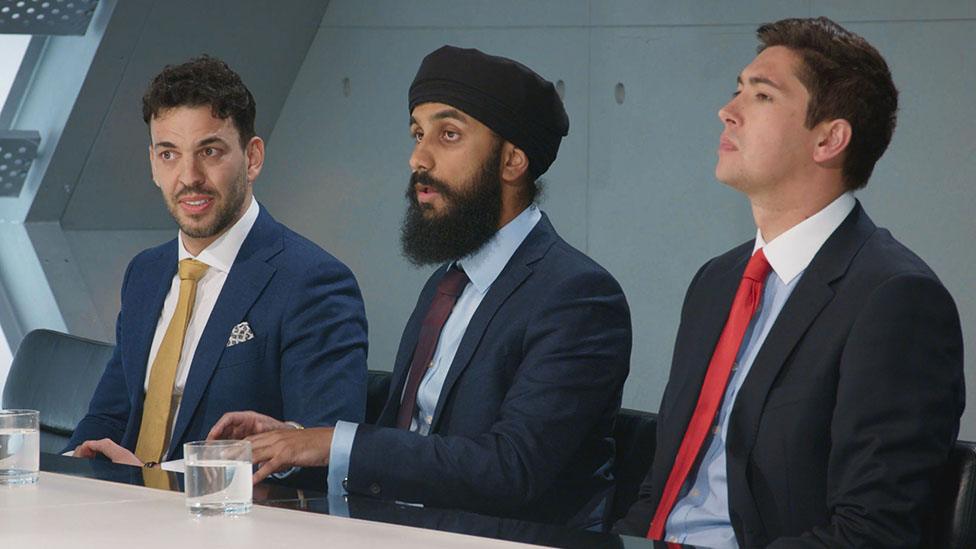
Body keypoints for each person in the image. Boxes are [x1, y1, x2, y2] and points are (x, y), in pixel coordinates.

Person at [209, 45, 632, 529]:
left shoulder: (578, 296)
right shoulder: (445, 284)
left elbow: (511, 470)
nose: (417, 158)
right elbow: (407, 442)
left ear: (513, 160)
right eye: (417, 133)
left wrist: (333, 444)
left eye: (448, 135)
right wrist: (298, 442)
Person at [615, 17, 964, 547]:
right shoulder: (717, 281)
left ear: (828, 139)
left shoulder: (895, 298)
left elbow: (871, 532)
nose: (727, 111)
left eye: (761, 96)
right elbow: (662, 485)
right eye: (737, 90)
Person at [65, 56, 368, 467]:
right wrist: (72, 465)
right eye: (169, 154)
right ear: (153, 164)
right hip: (123, 512)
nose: (189, 176)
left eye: (209, 151)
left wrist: (153, 480)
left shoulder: (312, 282)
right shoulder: (145, 273)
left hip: (229, 519)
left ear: (253, 157)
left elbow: (327, 449)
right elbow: (108, 416)